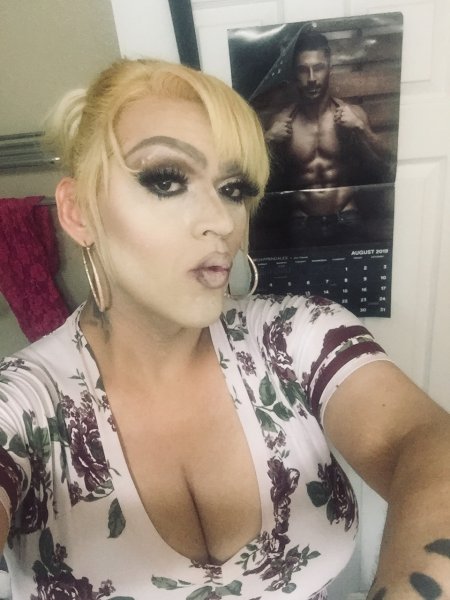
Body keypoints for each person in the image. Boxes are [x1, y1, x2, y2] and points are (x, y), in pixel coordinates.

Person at [0, 58, 448, 600]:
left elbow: (420, 441)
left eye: (234, 189)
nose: (221, 221)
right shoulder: (23, 403)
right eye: (166, 180)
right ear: (79, 212)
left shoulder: (296, 335)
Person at [261, 30, 394, 245]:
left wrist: (361, 128)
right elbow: (256, 178)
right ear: (295, 74)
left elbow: (388, 164)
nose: (312, 79)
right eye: (303, 70)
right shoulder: (281, 121)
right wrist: (267, 140)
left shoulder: (353, 116)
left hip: (347, 217)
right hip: (302, 222)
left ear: (329, 69)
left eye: (318, 68)